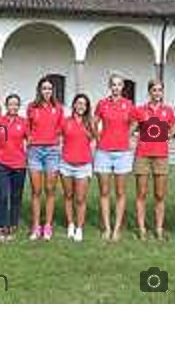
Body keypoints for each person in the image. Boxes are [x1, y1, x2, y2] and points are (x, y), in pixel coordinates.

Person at [93, 74, 137, 241]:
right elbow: (93, 121)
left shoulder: (128, 104)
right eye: (113, 84)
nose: (116, 87)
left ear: (123, 87)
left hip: (122, 153)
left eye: (119, 85)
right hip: (103, 152)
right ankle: (106, 227)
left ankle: (117, 229)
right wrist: (98, 137)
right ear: (109, 86)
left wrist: (128, 134)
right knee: (104, 191)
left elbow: (134, 122)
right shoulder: (102, 104)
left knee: (120, 192)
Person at [132, 80, 175, 240]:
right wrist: (134, 134)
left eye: (160, 90)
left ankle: (158, 228)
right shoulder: (140, 110)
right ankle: (142, 228)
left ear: (162, 93)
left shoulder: (168, 111)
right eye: (154, 90)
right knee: (141, 193)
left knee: (159, 194)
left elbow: (174, 126)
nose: (157, 93)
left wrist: (168, 135)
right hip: (142, 154)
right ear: (149, 92)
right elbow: (131, 128)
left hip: (161, 155)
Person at [26, 76, 64, 241]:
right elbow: (27, 127)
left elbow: (61, 128)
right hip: (35, 151)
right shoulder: (31, 107)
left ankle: (47, 225)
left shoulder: (58, 108)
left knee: (50, 190)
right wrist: (31, 139)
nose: (46, 91)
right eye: (44, 88)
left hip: (52, 152)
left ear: (53, 91)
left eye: (49, 89)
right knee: (36, 190)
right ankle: (36, 226)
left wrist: (55, 141)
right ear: (39, 90)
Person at [60, 94, 97, 243]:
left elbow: (96, 140)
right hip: (66, 164)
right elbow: (58, 138)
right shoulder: (65, 121)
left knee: (80, 198)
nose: (81, 106)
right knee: (68, 196)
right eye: (78, 103)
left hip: (83, 165)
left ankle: (79, 228)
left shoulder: (90, 122)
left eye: (84, 104)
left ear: (87, 107)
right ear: (74, 105)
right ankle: (70, 224)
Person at [0, 94, 28, 241]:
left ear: (18, 106)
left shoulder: (24, 122)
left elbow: (31, 139)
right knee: (3, 195)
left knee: (16, 196)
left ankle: (13, 223)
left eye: (16, 104)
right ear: (6, 106)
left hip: (19, 164)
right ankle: (0, 224)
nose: (13, 107)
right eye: (10, 104)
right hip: (2, 163)